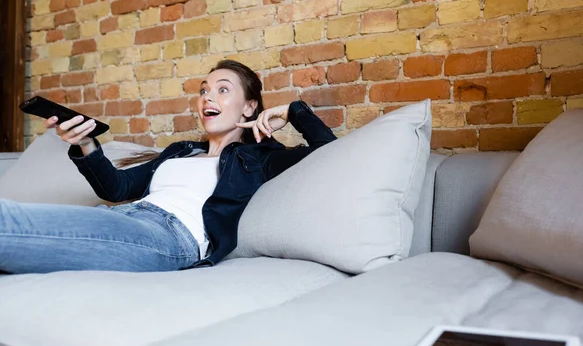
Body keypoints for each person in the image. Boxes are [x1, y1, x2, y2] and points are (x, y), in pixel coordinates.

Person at [0, 60, 336, 274]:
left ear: (249, 107)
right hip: (125, 216)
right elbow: (115, 188)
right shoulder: (181, 151)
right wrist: (85, 143)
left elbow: (329, 154)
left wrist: (293, 112)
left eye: (222, 90)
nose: (207, 97)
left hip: (168, 238)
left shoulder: (259, 158)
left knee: (11, 222)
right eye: (204, 90)